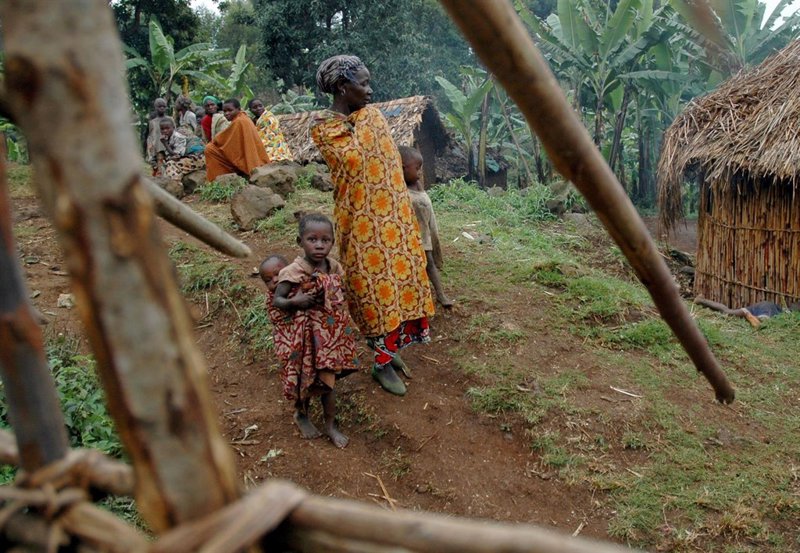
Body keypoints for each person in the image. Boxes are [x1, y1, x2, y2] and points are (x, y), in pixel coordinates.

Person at [311, 55, 435, 396]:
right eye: (363, 84)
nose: (369, 90)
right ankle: (381, 363)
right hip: (360, 223)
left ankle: (388, 351)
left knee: (397, 283)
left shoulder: (371, 118)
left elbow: (388, 162)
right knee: (372, 291)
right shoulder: (324, 127)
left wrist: (368, 119)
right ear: (342, 87)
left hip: (393, 218)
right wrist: (367, 119)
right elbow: (353, 161)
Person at [267, 214, 359, 448]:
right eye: (312, 239)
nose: (319, 245)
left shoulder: (333, 267)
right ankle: (301, 414)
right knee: (304, 378)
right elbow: (277, 300)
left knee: (328, 381)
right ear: (300, 241)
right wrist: (295, 301)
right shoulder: (293, 271)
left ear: (332, 242)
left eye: (325, 240)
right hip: (304, 338)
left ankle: (330, 425)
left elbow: (340, 294)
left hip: (328, 338)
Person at [399, 145, 453, 308]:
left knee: (429, 261)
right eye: (417, 168)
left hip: (425, 231)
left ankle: (439, 294)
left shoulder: (416, 184)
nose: (420, 172)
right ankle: (434, 295)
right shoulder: (400, 189)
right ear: (402, 168)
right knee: (422, 263)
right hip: (414, 235)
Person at [204, 98, 270, 182]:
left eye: (230, 110)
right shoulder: (242, 117)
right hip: (252, 157)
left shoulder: (239, 121)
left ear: (238, 109)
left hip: (250, 160)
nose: (226, 113)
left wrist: (214, 141)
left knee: (209, 149)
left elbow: (222, 139)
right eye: (224, 111)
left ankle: (218, 179)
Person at [694, 297, 800, 328]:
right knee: (762, 322)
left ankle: (701, 300)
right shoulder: (790, 314)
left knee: (728, 311)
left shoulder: (787, 312)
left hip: (764, 306)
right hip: (767, 308)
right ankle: (749, 315)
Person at [155, 116, 205, 181]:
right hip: (189, 158)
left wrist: (165, 144)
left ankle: (175, 183)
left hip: (197, 158)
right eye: (162, 129)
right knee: (168, 163)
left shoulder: (178, 137)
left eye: (167, 128)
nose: (165, 131)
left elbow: (176, 156)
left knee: (170, 164)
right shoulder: (168, 138)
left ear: (173, 128)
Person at [248, 98, 294, 163]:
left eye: (260, 106)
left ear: (263, 106)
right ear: (250, 110)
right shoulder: (254, 120)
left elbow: (267, 135)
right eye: (255, 107)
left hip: (275, 144)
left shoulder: (269, 118)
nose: (258, 108)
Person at [145, 98, 168, 170]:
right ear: (155, 107)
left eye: (164, 106)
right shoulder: (152, 122)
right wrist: (150, 152)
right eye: (160, 106)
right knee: (159, 169)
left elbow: (174, 133)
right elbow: (151, 136)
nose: (162, 108)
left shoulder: (170, 119)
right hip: (157, 149)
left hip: (168, 148)